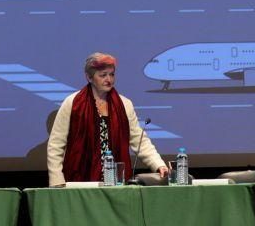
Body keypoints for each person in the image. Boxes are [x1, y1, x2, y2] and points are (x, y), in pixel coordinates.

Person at [47, 52, 169, 186]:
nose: (109, 79)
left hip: (116, 180)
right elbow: (56, 145)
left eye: (111, 74)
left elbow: (139, 140)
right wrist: (56, 180)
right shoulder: (72, 103)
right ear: (89, 77)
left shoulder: (124, 104)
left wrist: (158, 165)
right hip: (80, 180)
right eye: (103, 75)